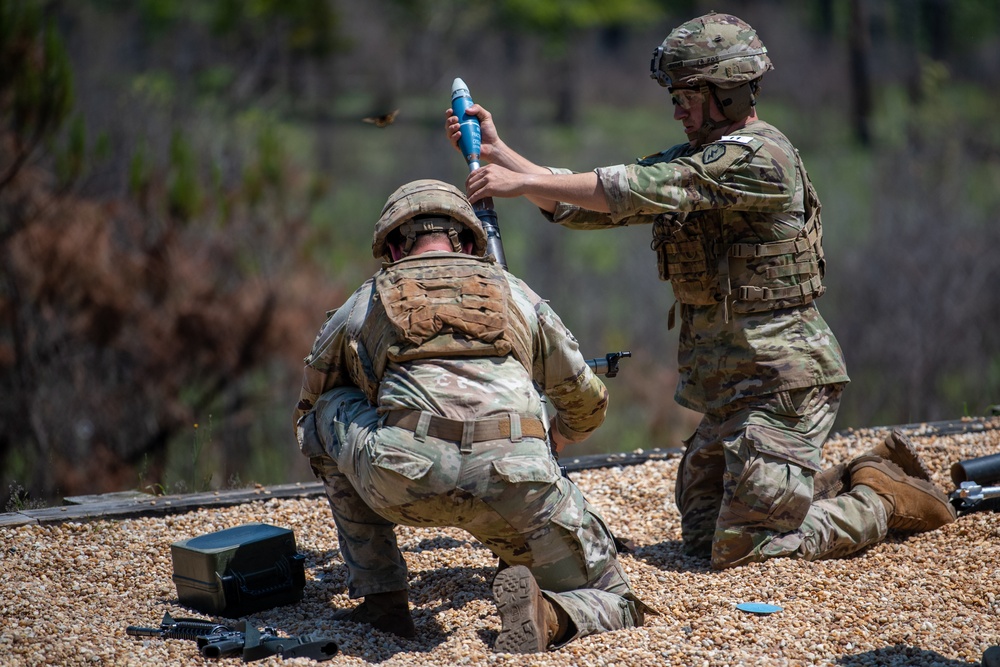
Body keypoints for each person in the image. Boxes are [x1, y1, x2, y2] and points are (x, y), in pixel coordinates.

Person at [445, 12, 956, 570]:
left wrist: (520, 180)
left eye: (688, 94)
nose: (677, 107)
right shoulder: (698, 159)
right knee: (701, 539)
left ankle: (882, 498)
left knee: (749, 549)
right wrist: (502, 156)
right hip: (730, 395)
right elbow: (583, 205)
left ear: (729, 92)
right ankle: (817, 485)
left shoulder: (761, 158)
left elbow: (633, 187)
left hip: (783, 386)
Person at [293, 179, 650, 653]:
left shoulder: (365, 301)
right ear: (466, 240)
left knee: (326, 411)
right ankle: (553, 617)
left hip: (404, 482)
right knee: (617, 599)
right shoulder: (517, 294)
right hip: (516, 485)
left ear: (394, 247)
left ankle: (383, 599)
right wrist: (554, 435)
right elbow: (587, 403)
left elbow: (309, 402)